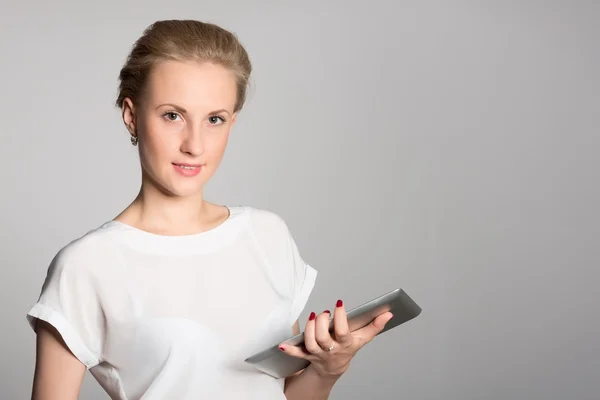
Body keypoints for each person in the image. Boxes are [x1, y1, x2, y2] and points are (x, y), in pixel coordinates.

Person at [26, 19, 394, 400]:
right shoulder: (87, 265)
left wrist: (328, 370)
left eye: (214, 119)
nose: (195, 144)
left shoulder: (267, 235)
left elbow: (285, 395)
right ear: (131, 115)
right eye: (173, 115)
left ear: (232, 122)